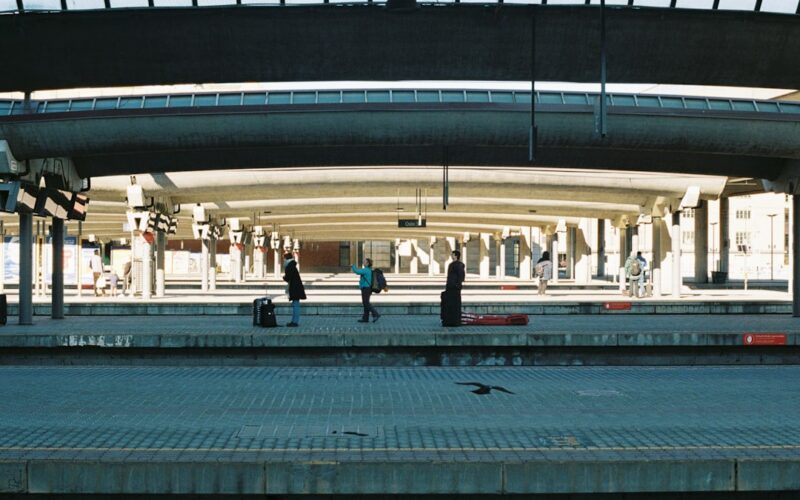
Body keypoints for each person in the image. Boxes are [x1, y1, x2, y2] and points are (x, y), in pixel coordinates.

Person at [352, 258, 380, 323]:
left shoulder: (366, 270)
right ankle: (365, 318)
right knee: (365, 303)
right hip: (368, 288)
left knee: (366, 303)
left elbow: (357, 271)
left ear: (367, 263)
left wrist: (353, 266)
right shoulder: (369, 270)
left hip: (366, 288)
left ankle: (375, 314)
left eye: (364, 262)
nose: (363, 262)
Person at [282, 252, 306, 327]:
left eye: (284, 259)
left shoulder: (289, 266)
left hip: (294, 288)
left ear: (286, 258)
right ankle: (294, 321)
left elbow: (288, 277)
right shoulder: (292, 265)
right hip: (296, 288)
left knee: (295, 305)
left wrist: (284, 277)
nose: (283, 261)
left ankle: (294, 322)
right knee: (296, 304)